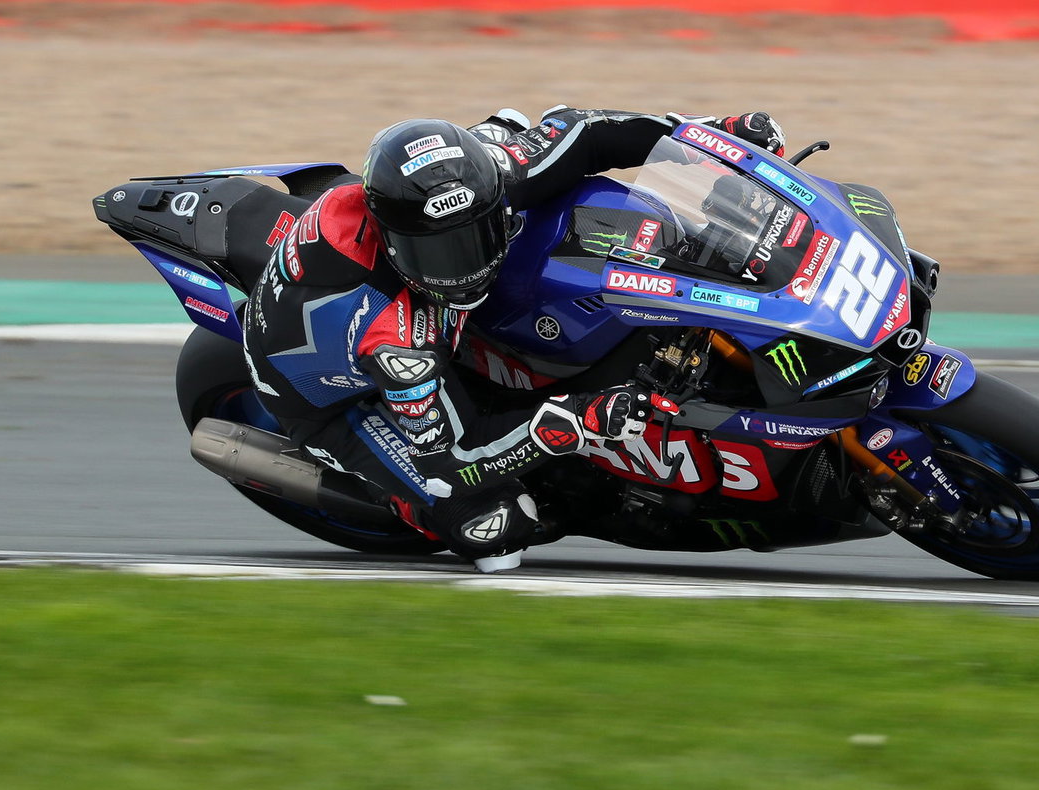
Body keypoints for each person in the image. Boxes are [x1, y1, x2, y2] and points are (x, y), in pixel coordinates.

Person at [241, 106, 786, 570]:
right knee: (492, 525)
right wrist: (576, 420)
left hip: (409, 305)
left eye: (476, 236)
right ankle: (397, 501)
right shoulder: (394, 342)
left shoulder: (487, 176)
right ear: (392, 240)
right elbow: (458, 455)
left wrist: (709, 136)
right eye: (440, 253)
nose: (464, 266)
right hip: (334, 400)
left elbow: (583, 130)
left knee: (517, 139)